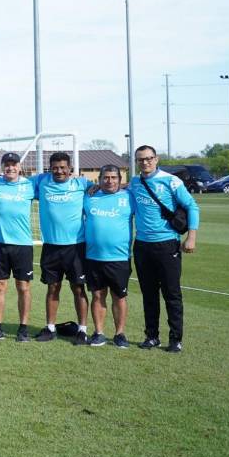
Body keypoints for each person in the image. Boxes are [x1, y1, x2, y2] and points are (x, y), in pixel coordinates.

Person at [128, 145, 199, 352]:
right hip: (142, 245)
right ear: (136, 161)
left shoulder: (170, 181)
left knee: (172, 294)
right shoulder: (135, 182)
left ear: (156, 159)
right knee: (149, 294)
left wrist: (191, 237)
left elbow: (192, 206)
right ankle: (152, 337)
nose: (145, 162)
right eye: (141, 159)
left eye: (149, 158)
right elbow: (120, 190)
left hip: (167, 244)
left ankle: (175, 339)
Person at [32, 151, 91, 344]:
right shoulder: (41, 181)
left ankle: (82, 330)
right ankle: (50, 328)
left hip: (76, 247)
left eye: (63, 167)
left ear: (70, 168)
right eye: (55, 168)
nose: (59, 171)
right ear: (49, 168)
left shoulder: (82, 184)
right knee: (53, 288)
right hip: (51, 246)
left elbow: (103, 188)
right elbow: (16, 183)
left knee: (78, 288)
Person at [0, 152, 36, 342]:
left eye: (14, 164)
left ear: (19, 167)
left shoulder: (30, 185)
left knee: (23, 287)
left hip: (23, 245)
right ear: (2, 167)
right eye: (7, 165)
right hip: (0, 244)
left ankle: (23, 329)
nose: (10, 168)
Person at [83, 165, 133, 348]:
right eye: (105, 177)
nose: (109, 181)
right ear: (99, 179)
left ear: (120, 179)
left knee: (119, 297)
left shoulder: (129, 197)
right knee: (97, 295)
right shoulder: (89, 197)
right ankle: (99, 333)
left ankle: (120, 334)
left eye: (113, 177)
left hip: (119, 258)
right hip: (93, 257)